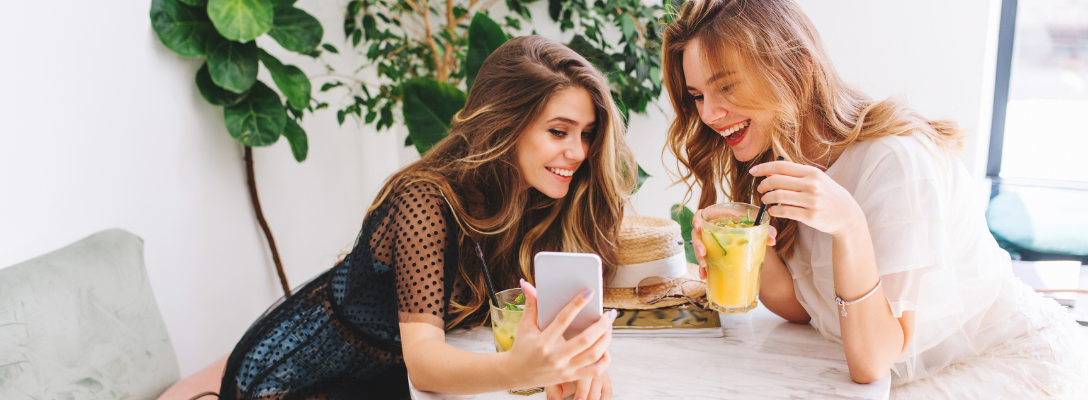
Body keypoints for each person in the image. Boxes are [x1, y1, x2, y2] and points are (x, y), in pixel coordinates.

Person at [661, 0, 1088, 397]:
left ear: (799, 69)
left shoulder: (897, 162)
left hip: (1006, 363)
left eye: (727, 88)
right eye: (697, 96)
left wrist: (849, 225)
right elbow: (802, 309)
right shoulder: (775, 155)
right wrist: (750, 245)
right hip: (891, 372)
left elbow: (873, 361)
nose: (708, 114)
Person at [192, 35, 631, 400]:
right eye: (559, 131)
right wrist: (515, 371)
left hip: (398, 381)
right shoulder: (425, 200)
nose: (579, 152)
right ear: (505, 124)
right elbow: (422, 363)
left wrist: (575, 364)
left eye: (587, 134)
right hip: (311, 381)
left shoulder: (543, 199)